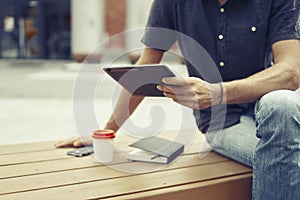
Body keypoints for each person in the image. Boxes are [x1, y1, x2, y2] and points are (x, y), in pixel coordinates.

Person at [56, 0, 300, 199]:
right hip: (223, 120)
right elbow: (145, 68)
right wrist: (108, 131)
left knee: (282, 103)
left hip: (273, 111)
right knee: (289, 155)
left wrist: (219, 92)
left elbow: (291, 72)